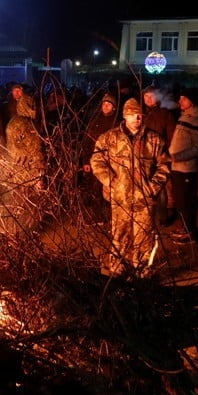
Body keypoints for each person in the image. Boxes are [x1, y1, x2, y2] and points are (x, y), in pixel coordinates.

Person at [90, 98, 171, 277]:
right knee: (120, 237)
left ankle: (142, 275)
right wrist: (112, 182)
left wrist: (153, 187)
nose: (138, 119)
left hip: (144, 199)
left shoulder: (154, 139)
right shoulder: (109, 138)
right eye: (134, 115)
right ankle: (118, 274)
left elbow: (164, 165)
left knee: (144, 238)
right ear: (125, 116)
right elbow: (96, 161)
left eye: (140, 116)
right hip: (120, 198)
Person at [166, 87, 198, 243]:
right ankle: (185, 227)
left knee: (187, 202)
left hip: (187, 169)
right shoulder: (186, 116)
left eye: (183, 98)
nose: (179, 101)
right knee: (181, 202)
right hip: (178, 168)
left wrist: (176, 157)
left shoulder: (197, 118)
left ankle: (190, 233)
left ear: (192, 101)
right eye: (180, 98)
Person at [78, 93, 119, 221]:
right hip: (96, 162)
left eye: (109, 104)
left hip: (113, 163)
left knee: (112, 190)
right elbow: (87, 143)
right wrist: (86, 161)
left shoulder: (117, 123)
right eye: (104, 104)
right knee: (95, 189)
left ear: (114, 107)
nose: (106, 106)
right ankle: (97, 216)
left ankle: (114, 217)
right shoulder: (94, 121)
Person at [141, 85, 176, 226]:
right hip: (144, 155)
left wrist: (166, 153)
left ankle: (163, 216)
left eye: (151, 96)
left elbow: (172, 136)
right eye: (145, 96)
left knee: (160, 186)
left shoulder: (165, 114)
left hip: (160, 155)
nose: (148, 99)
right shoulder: (141, 113)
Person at [5, 92, 46, 189]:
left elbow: (10, 148)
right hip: (27, 169)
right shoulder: (25, 124)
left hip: (22, 169)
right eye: (29, 106)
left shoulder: (15, 123)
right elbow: (36, 150)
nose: (32, 109)